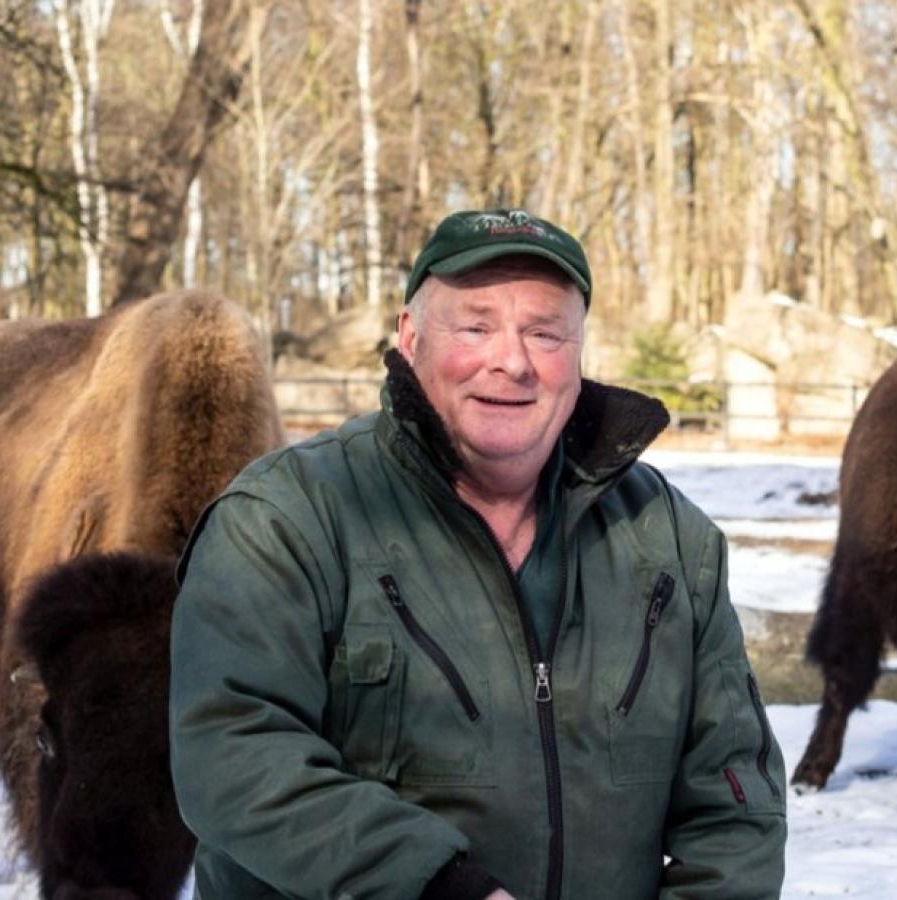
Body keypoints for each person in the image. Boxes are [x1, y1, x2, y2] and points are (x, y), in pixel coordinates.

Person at [169, 208, 787, 900]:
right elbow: (231, 753)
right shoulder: (290, 519)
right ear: (410, 339)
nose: (512, 361)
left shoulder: (668, 541)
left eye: (545, 333)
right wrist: (434, 886)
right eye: (476, 326)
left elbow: (735, 800)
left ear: (578, 353)